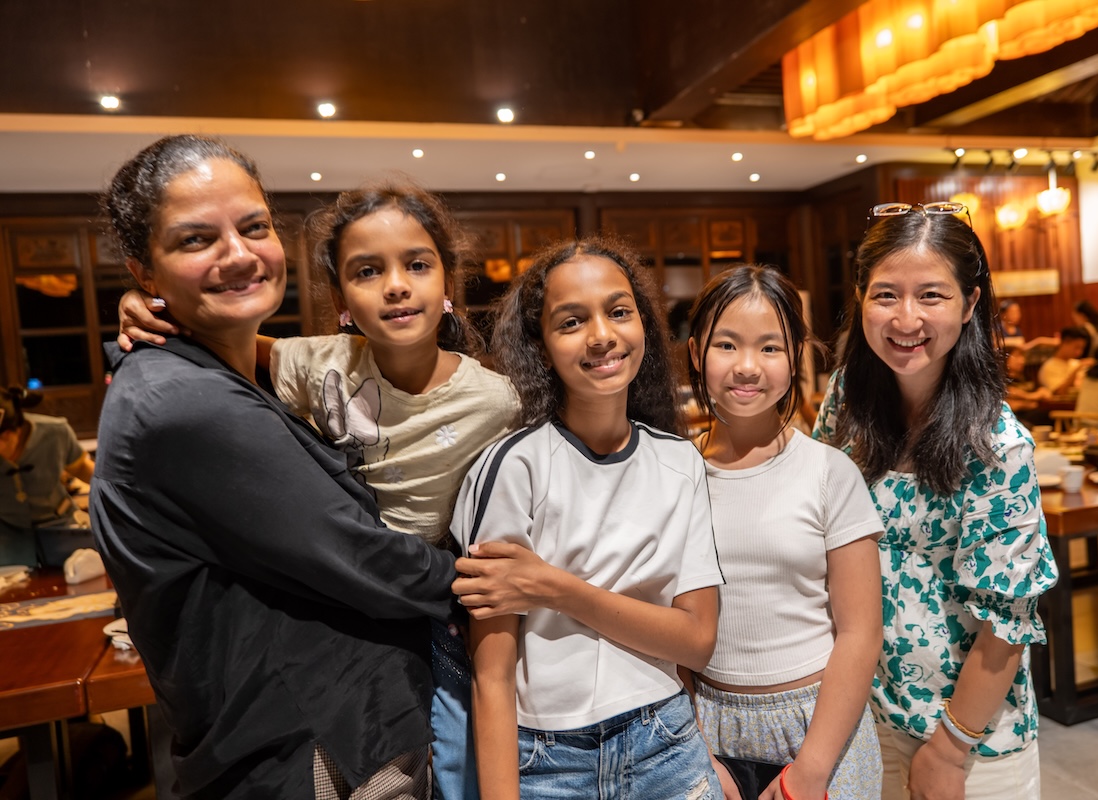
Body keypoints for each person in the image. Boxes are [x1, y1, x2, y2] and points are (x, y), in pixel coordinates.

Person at [118, 183, 523, 800]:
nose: (395, 285)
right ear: (339, 299)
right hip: (353, 614)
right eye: (367, 271)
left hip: (442, 610)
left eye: (417, 265)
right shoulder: (322, 363)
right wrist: (148, 305)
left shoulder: (496, 401)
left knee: (460, 764)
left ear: (447, 282)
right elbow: (217, 340)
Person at [450, 237, 725, 800]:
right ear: (540, 342)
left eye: (619, 312)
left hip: (665, 739)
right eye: (572, 321)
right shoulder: (513, 467)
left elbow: (696, 641)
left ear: (643, 323)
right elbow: (491, 676)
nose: (602, 335)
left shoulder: (680, 461)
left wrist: (555, 589)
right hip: (547, 760)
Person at [812, 201, 1059, 800]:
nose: (906, 318)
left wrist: (949, 751)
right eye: (886, 295)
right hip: (860, 716)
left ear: (970, 304)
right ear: (860, 298)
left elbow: (1006, 621)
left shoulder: (996, 444)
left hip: (967, 738)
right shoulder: (847, 400)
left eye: (931, 295)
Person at [685, 265, 884, 800]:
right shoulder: (673, 472)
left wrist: (810, 771)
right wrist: (696, 749)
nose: (747, 366)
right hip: (704, 724)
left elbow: (861, 632)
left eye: (770, 348)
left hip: (820, 726)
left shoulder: (829, 472)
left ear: (795, 356)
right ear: (696, 352)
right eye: (727, 345)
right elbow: (667, 625)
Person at [0, 386, 93, 566]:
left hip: (59, 524)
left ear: (11, 433)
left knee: (86, 568)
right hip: (7, 532)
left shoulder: (54, 432)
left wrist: (119, 493)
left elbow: (82, 467)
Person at [1036, 327, 1090, 394]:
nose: (1079, 352)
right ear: (1065, 342)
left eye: (1082, 348)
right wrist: (1077, 369)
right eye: (1077, 347)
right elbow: (1059, 392)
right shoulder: (1049, 367)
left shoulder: (1077, 363)